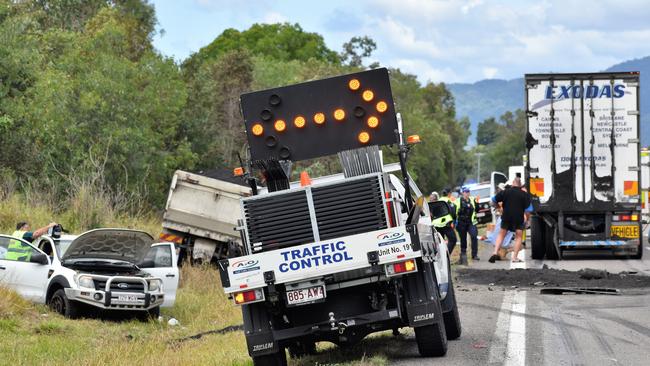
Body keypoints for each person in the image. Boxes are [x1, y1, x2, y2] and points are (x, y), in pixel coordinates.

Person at [489, 177, 532, 263]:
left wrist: (497, 207)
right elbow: (528, 210)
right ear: (520, 185)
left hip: (506, 217)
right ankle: (514, 258)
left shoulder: (505, 192)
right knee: (519, 237)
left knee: (501, 235)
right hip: (518, 218)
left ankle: (495, 252)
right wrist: (527, 220)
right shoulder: (525, 195)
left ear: (513, 183)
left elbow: (493, 201)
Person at [455, 187, 480, 264]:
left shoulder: (472, 199)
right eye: (466, 192)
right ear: (463, 193)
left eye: (468, 192)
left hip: (471, 222)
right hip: (461, 222)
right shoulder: (458, 200)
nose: (467, 193)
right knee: (463, 239)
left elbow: (477, 210)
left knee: (474, 236)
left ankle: (474, 255)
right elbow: (454, 212)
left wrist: (477, 203)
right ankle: (463, 255)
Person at [429, 191, 458, 256]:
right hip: (438, 227)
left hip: (445, 225)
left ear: (437, 198)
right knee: (440, 243)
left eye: (433, 198)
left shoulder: (441, 204)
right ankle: (443, 256)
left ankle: (446, 255)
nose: (432, 200)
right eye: (431, 199)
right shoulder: (429, 206)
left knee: (450, 240)